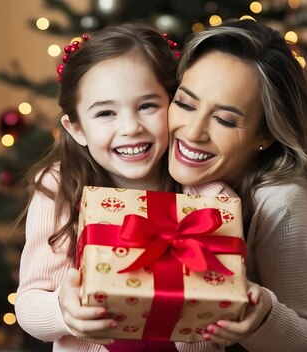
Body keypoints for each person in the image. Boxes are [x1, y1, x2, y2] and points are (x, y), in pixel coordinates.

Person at [167, 19, 307, 351]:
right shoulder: (168, 167)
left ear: (265, 134)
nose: (193, 131)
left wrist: (261, 313)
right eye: (184, 103)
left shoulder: (282, 200)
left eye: (225, 119)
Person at [14, 23, 183, 352]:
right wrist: (63, 312)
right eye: (106, 112)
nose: (131, 127)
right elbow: (28, 305)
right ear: (76, 128)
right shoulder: (59, 185)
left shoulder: (194, 183)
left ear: (173, 105)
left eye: (147, 106)